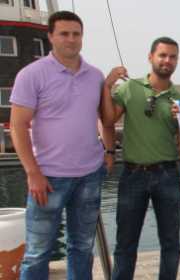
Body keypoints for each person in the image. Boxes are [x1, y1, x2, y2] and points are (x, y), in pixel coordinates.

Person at [10, 10, 119, 279]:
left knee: (82, 247)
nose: (71, 39)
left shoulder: (94, 76)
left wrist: (108, 151)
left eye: (76, 34)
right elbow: (17, 126)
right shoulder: (31, 75)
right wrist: (32, 172)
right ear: (50, 37)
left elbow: (103, 120)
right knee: (37, 252)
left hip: (89, 175)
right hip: (48, 177)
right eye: (64, 34)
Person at [101, 37, 180, 280]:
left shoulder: (179, 100)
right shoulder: (130, 88)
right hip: (133, 175)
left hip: (168, 175)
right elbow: (108, 120)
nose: (167, 61)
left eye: (173, 56)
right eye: (163, 55)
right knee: (125, 245)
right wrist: (106, 86)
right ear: (151, 57)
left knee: (171, 245)